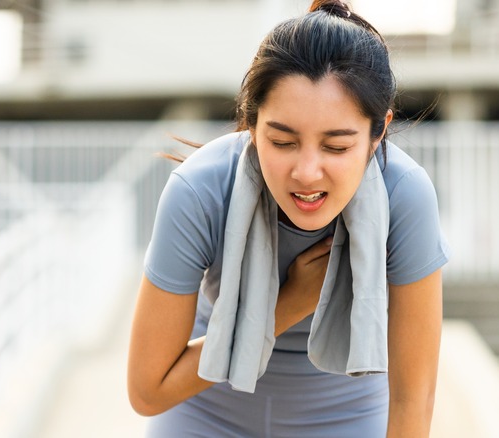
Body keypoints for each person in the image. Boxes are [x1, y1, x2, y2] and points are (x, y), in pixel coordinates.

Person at [127, 1, 450, 436]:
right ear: (252, 125)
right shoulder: (199, 191)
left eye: (336, 146)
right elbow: (148, 392)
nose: (307, 172)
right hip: (203, 415)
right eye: (282, 141)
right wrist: (288, 304)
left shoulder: (405, 195)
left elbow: (415, 400)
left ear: (379, 132)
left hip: (346, 420)